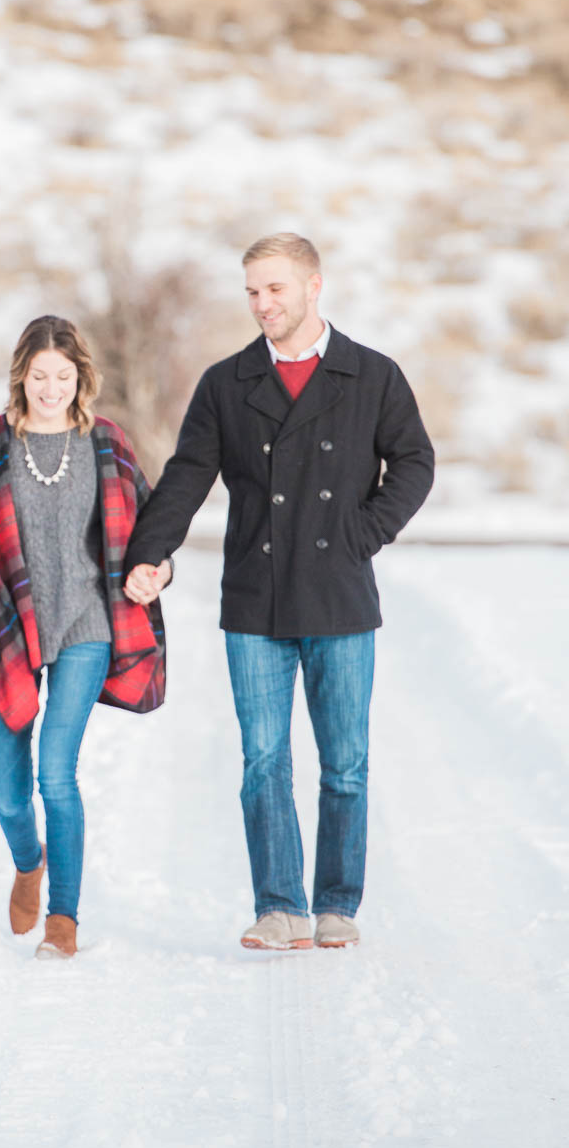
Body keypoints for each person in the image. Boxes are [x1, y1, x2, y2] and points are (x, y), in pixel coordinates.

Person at [123, 233, 434, 950]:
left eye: (276, 289)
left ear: (314, 286)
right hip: (256, 597)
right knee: (263, 760)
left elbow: (415, 461)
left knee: (345, 764)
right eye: (253, 292)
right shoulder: (227, 384)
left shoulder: (371, 375)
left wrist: (367, 532)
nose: (264, 304)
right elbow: (186, 478)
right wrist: (150, 551)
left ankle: (335, 905)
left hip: (340, 594)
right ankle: (277, 905)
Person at [0, 315, 169, 959]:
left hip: (86, 622)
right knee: (9, 794)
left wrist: (158, 568)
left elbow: (147, 534)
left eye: (63, 376)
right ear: (20, 377)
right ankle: (28, 863)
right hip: (6, 627)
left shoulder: (105, 442)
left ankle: (65, 919)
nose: (51, 389)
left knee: (57, 776)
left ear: (81, 378)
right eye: (39, 377)